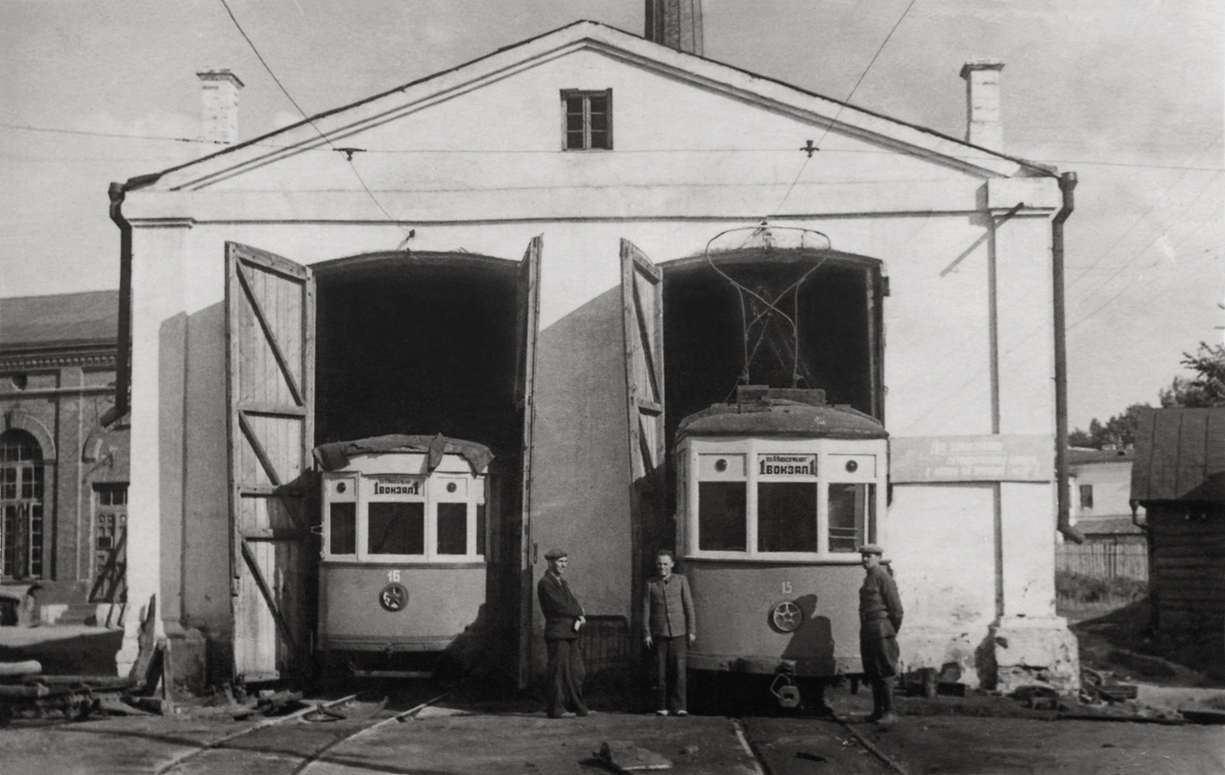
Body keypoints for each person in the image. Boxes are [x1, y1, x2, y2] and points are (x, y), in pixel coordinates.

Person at [537, 549, 593, 718]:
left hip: (570, 633)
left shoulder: (562, 583)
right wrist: (580, 610)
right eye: (560, 561)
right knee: (558, 673)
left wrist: (578, 614)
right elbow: (559, 606)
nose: (563, 565)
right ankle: (557, 709)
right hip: (557, 634)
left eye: (565, 562)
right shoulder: (545, 583)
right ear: (550, 563)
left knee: (577, 672)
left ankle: (577, 707)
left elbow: (571, 602)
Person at [643, 549, 696, 717]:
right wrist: (647, 633)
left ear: (672, 564)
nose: (662, 567)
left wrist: (691, 630)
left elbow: (689, 607)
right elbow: (646, 610)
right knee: (660, 672)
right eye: (659, 564)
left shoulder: (681, 580)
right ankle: (662, 706)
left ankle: (680, 706)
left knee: (679, 671)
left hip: (679, 632)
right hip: (659, 633)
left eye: (665, 564)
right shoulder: (650, 583)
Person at [858, 543, 903, 724]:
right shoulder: (868, 579)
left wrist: (890, 631)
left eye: (869, 556)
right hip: (869, 628)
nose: (865, 559)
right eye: (864, 556)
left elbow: (897, 610)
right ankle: (877, 711)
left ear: (878, 558)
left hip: (882, 629)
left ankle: (890, 713)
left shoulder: (883, 578)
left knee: (885, 670)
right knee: (873, 671)